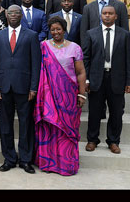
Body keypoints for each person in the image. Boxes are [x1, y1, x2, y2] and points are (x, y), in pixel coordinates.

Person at [0, 5, 41, 174]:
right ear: (6, 14)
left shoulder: (32, 36)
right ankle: (9, 158)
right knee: (5, 125)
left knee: (26, 124)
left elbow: (36, 64)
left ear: (21, 15)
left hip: (25, 88)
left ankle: (26, 160)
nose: (13, 15)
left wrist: (34, 87)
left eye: (17, 13)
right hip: (3, 88)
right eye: (10, 13)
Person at [34, 15, 87, 176]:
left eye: (58, 29)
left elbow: (80, 72)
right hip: (48, 97)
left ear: (64, 30)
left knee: (66, 129)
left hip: (68, 96)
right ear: (49, 31)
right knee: (49, 127)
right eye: (52, 30)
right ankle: (48, 163)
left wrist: (82, 94)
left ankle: (66, 164)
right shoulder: (43, 46)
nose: (55, 32)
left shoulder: (74, 48)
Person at [83, 5, 130, 155]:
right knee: (94, 111)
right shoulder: (91, 34)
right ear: (100, 16)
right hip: (97, 79)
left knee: (117, 112)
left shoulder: (124, 35)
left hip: (117, 78)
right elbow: (86, 58)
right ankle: (92, 140)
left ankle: (113, 141)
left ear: (116, 16)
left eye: (110, 13)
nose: (107, 16)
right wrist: (86, 80)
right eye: (104, 13)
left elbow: (129, 60)